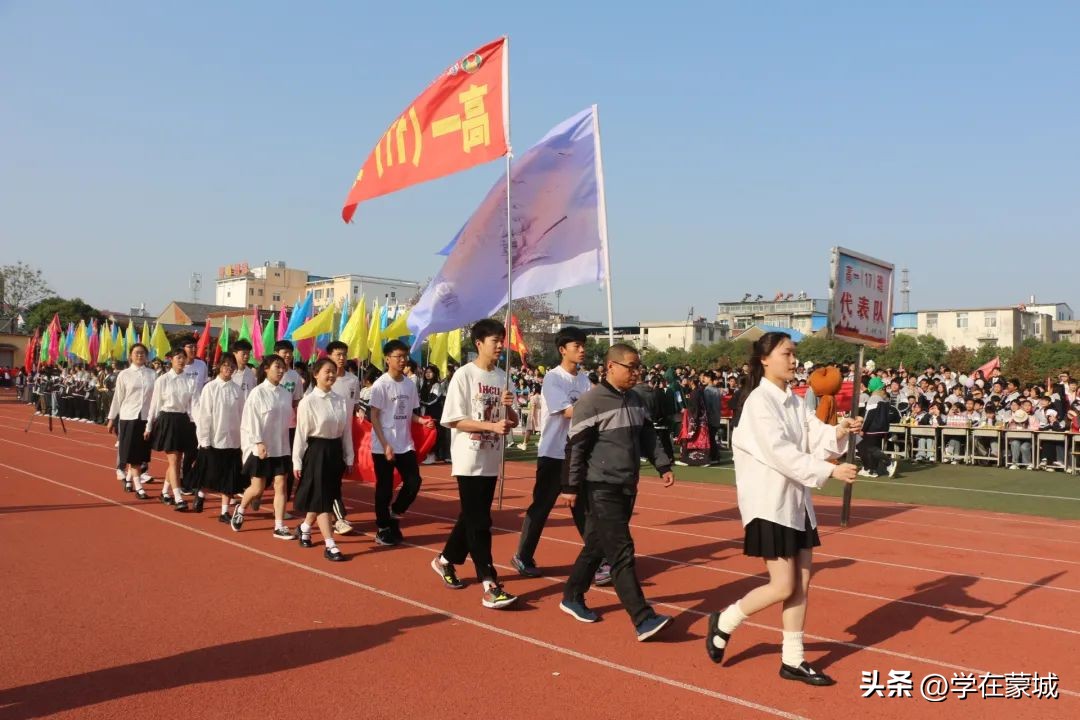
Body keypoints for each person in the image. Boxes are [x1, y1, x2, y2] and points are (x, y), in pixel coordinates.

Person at [705, 332, 860, 686]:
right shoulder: (760, 403)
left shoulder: (794, 399)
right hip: (769, 504)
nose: (794, 361)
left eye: (794, 354)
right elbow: (780, 452)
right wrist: (831, 470)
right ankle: (725, 620)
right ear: (764, 359)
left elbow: (812, 436)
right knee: (782, 585)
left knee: (801, 583)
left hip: (796, 503)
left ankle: (793, 659)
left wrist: (839, 430)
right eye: (787, 354)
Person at [558, 343, 676, 641]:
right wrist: (570, 487)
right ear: (611, 366)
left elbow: (648, 435)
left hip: (627, 484)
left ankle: (572, 595)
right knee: (621, 551)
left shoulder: (637, 399)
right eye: (630, 367)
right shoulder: (591, 402)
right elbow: (575, 448)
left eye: (639, 367)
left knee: (597, 544)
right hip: (599, 486)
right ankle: (642, 618)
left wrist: (663, 464)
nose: (636, 373)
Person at [431, 319, 519, 609]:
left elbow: (515, 420)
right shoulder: (464, 375)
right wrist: (490, 427)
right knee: (481, 521)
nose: (499, 346)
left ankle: (444, 560)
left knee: (472, 516)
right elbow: (453, 419)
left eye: (501, 340)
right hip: (468, 458)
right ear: (479, 343)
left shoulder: (504, 378)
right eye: (494, 341)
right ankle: (489, 582)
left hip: (491, 458)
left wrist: (508, 407)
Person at [512, 327, 595, 580]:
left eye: (583, 345)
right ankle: (523, 557)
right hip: (554, 453)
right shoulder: (553, 378)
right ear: (562, 350)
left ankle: (598, 560)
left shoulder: (584, 380)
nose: (582, 350)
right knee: (542, 507)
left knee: (584, 509)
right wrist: (597, 408)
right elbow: (568, 411)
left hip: (578, 454)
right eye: (576, 346)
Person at [369, 339, 435, 546]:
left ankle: (394, 513)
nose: (402, 360)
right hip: (383, 446)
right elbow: (374, 417)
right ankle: (383, 528)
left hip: (405, 444)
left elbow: (409, 414)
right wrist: (385, 444)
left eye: (405, 356)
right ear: (387, 359)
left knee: (414, 481)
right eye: (398, 356)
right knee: (385, 488)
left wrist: (422, 420)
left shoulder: (409, 384)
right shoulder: (381, 385)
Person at [292, 357, 354, 562]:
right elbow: (301, 434)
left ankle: (305, 527)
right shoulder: (308, 401)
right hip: (316, 451)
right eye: (327, 371)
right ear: (315, 374)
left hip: (334, 452)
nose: (331, 375)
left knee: (326, 495)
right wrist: (297, 461)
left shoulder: (340, 400)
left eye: (333, 371)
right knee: (323, 500)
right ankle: (330, 544)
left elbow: (346, 432)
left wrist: (349, 456)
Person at [232, 355, 294, 538]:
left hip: (281, 446)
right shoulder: (257, 393)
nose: (281, 370)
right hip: (261, 447)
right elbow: (251, 420)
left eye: (283, 367)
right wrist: (258, 442)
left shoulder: (285, 393)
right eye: (277, 366)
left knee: (281, 485)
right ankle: (241, 508)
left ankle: (279, 525)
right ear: (266, 368)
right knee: (257, 488)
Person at [192, 354, 245, 519]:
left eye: (231, 366)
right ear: (219, 366)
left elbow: (242, 414)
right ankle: (201, 494)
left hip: (233, 440)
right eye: (225, 365)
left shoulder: (237, 390)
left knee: (230, 478)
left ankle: (224, 512)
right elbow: (205, 416)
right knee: (211, 474)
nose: (228, 369)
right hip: (215, 439)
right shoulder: (210, 388)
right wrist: (204, 440)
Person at [146, 348, 200, 511]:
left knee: (177, 460)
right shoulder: (162, 380)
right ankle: (178, 497)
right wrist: (148, 425)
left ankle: (164, 492)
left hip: (183, 421)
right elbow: (154, 405)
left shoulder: (191, 381)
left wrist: (199, 426)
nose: (181, 361)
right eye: (178, 358)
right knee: (174, 460)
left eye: (184, 358)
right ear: (171, 360)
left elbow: (195, 406)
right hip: (167, 420)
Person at [106, 344, 157, 500]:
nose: (139, 356)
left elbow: (156, 398)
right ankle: (138, 486)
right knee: (132, 453)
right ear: (130, 356)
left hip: (145, 418)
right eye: (136, 353)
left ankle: (128, 479)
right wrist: (111, 418)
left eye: (142, 353)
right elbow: (118, 398)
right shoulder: (124, 375)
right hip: (128, 417)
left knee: (140, 453)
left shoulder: (152, 374)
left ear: (147, 356)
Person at [326, 340, 360, 536]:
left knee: (334, 479)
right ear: (329, 356)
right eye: (338, 354)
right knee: (329, 481)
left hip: (344, 435)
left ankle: (313, 522)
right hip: (325, 436)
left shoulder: (352, 380)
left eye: (344, 354)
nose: (341, 358)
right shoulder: (323, 379)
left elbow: (354, 408)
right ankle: (338, 518)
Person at [178, 335, 209, 495]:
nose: (193, 349)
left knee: (195, 450)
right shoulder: (179, 366)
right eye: (189, 346)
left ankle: (189, 479)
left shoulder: (201, 365)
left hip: (197, 414)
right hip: (181, 414)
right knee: (183, 451)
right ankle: (182, 481)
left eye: (194, 346)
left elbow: (204, 387)